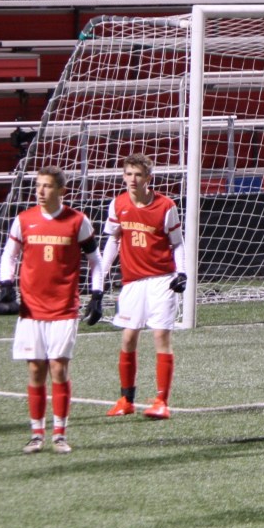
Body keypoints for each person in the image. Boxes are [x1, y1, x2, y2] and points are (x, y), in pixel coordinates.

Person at [0, 165, 104, 454]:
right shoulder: (24, 220)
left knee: (58, 368)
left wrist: (97, 294)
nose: (41, 192)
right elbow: (9, 255)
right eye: (38, 186)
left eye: (47, 186)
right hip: (31, 309)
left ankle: (59, 434)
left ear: (61, 190)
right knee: (35, 369)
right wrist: (6, 283)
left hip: (63, 307)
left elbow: (96, 260)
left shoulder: (77, 221)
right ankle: (36, 434)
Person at [102, 154, 186, 420]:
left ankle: (162, 401)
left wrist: (182, 272)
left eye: (138, 175)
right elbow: (113, 241)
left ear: (148, 178)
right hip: (133, 282)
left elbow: (178, 243)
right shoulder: (118, 204)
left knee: (161, 336)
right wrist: (100, 277)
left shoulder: (165, 206)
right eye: (128, 174)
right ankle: (126, 399)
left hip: (162, 279)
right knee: (128, 337)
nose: (132, 180)